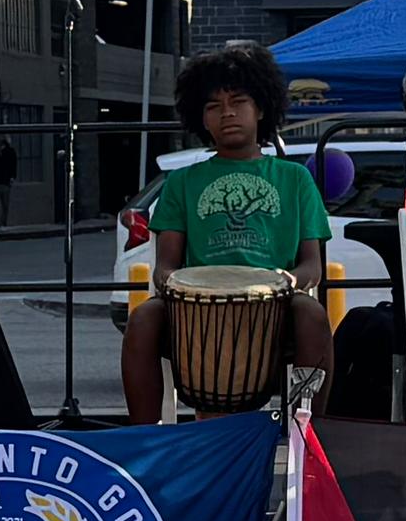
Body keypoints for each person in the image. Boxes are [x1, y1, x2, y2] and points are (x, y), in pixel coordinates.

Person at [118, 42, 336, 422]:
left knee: (313, 315)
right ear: (201, 118)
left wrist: (289, 281)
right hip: (196, 311)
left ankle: (309, 431)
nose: (227, 113)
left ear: (262, 108)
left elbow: (312, 265)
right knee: (142, 318)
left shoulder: (295, 178)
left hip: (277, 307)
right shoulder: (183, 182)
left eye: (238, 101)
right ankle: (144, 438)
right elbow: (164, 268)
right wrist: (183, 288)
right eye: (213, 106)